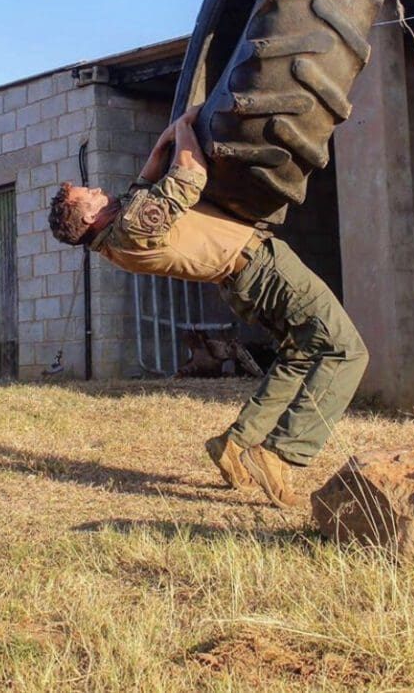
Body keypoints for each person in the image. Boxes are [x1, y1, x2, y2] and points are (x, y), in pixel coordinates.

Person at [47, 106, 368, 509]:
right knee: (345, 349)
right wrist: (184, 129)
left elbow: (146, 181)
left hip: (241, 279)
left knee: (301, 353)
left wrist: (165, 140)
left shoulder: (115, 233)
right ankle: (282, 452)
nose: (95, 190)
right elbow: (189, 176)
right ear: (89, 215)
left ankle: (236, 444)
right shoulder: (130, 226)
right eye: (87, 194)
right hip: (261, 267)